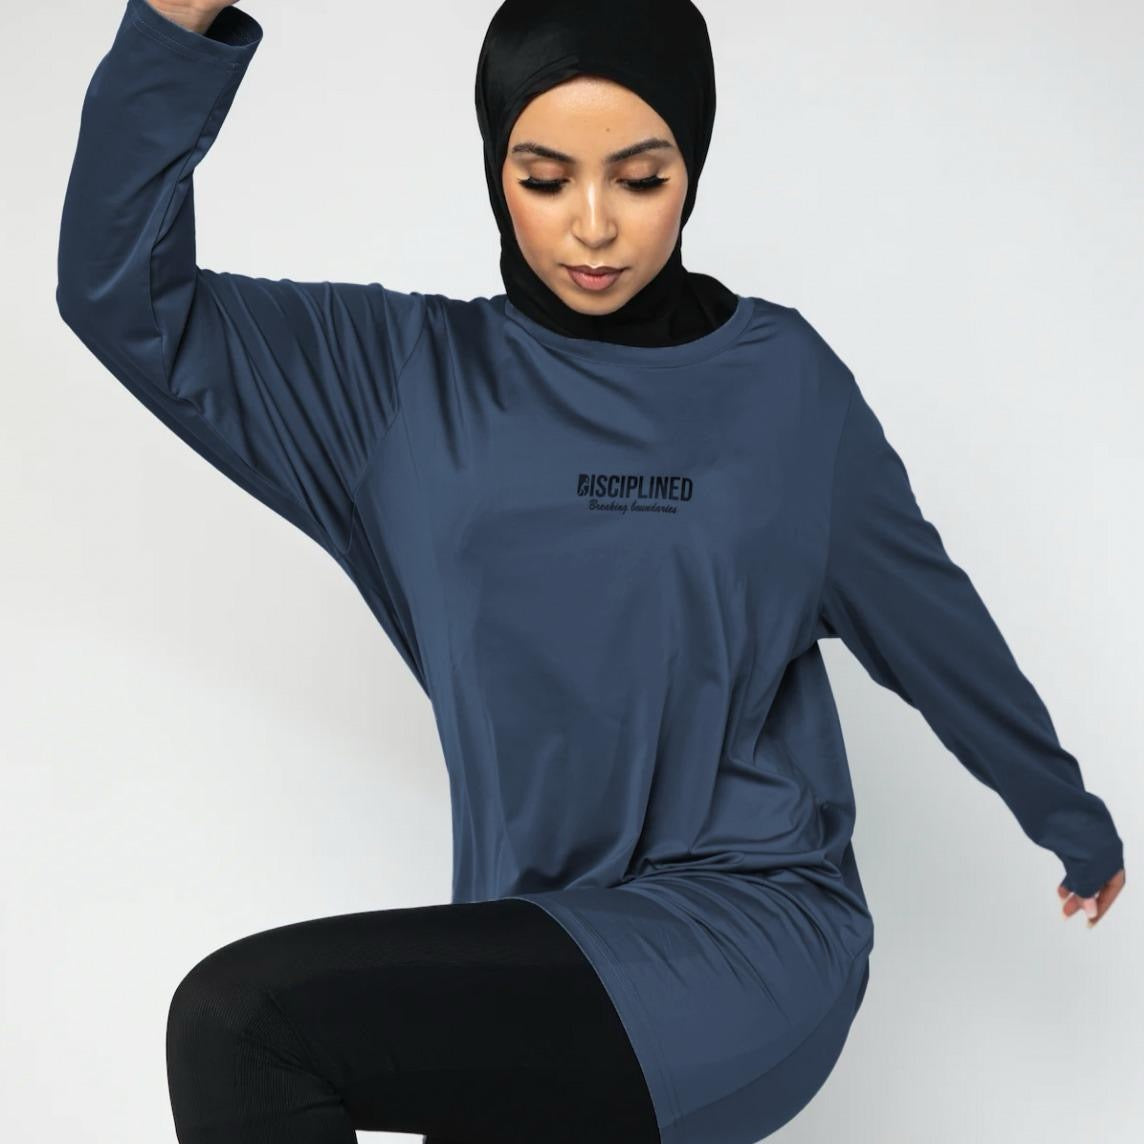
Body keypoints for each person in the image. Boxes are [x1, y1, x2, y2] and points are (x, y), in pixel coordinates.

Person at [55, 1, 1126, 1142]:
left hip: (753, 934)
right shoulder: (395, 386)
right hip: (542, 947)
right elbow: (122, 296)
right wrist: (174, 23)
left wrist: (1072, 821)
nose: (594, 225)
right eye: (545, 178)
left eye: (641, 177)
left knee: (243, 1024)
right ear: (496, 171)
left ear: (691, 168)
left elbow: (933, 628)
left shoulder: (786, 392)